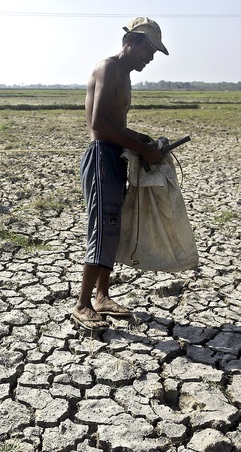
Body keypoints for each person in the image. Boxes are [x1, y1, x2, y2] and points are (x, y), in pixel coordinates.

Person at [73, 17, 169, 331]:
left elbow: (118, 127)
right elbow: (99, 125)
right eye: (149, 49)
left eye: (154, 52)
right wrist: (141, 149)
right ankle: (83, 304)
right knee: (102, 229)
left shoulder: (124, 75)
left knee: (112, 227)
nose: (151, 57)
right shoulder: (108, 68)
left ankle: (102, 296)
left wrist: (143, 141)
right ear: (133, 41)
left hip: (115, 157)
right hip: (102, 157)